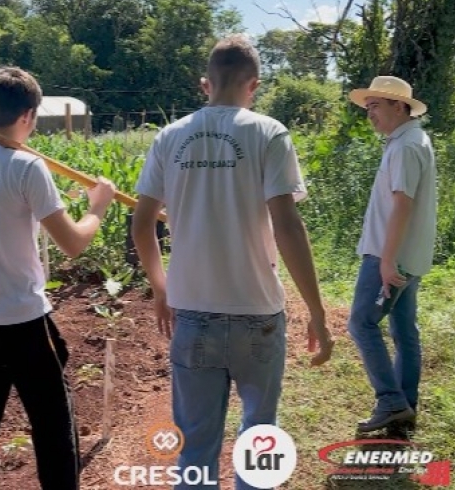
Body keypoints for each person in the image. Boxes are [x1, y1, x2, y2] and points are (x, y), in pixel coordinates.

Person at [132, 34, 334, 489]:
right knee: (260, 434)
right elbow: (288, 225)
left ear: (206, 84)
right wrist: (316, 313)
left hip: (194, 316)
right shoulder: (267, 132)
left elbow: (143, 225)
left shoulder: (169, 137)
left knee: (196, 450)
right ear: (254, 85)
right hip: (258, 316)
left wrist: (162, 288)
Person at [0, 66, 116, 490]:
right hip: (25, 323)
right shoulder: (27, 166)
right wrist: (99, 205)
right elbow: (73, 243)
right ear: (29, 115)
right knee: (53, 428)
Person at [347, 75, 436, 434]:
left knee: (361, 323)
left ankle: (391, 401)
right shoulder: (411, 140)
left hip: (390, 256)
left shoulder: (405, 146)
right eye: (367, 108)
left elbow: (402, 204)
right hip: (405, 254)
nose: (370, 115)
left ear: (400, 107)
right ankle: (405, 406)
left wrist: (386, 260)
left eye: (376, 107)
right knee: (403, 329)